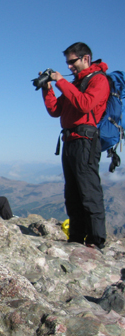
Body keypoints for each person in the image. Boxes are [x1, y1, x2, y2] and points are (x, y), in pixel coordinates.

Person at [42, 42, 109, 249]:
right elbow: (55, 110)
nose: (69, 66)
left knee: (88, 191)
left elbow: (85, 104)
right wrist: (47, 89)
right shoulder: (77, 84)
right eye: (67, 63)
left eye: (73, 62)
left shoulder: (99, 80)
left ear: (86, 58)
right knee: (72, 192)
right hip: (70, 141)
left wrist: (61, 81)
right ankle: (77, 238)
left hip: (85, 141)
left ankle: (96, 241)